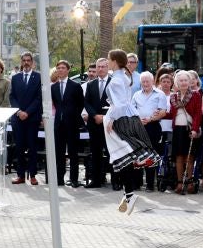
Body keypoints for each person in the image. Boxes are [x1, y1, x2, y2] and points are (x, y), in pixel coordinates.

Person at [103, 50, 160, 215]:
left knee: (122, 157)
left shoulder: (116, 80)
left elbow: (119, 104)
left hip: (119, 120)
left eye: (108, 59)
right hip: (128, 117)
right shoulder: (124, 77)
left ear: (114, 61)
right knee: (125, 158)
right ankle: (128, 194)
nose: (107, 62)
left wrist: (112, 119)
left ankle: (129, 195)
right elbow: (122, 102)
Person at [166, 70, 203, 194]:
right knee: (178, 157)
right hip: (177, 129)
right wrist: (158, 115)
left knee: (190, 157)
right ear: (177, 82)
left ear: (189, 82)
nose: (183, 83)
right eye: (181, 80)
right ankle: (180, 183)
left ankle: (190, 182)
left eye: (185, 80)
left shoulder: (196, 95)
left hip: (189, 129)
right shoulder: (173, 96)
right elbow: (172, 113)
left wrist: (195, 129)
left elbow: (198, 113)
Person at [131, 71, 168, 193]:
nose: (145, 83)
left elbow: (163, 112)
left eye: (147, 81)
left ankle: (150, 184)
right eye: (143, 81)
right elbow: (131, 110)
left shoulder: (160, 94)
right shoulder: (136, 94)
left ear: (152, 82)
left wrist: (151, 119)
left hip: (153, 127)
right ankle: (136, 183)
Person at [9, 51, 42, 185]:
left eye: (29, 60)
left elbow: (39, 98)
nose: (26, 63)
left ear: (32, 62)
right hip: (18, 118)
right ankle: (20, 175)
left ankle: (33, 175)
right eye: (24, 60)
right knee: (19, 147)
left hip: (32, 118)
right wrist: (19, 112)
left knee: (33, 147)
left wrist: (27, 112)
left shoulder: (38, 77)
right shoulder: (15, 78)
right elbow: (12, 96)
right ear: (21, 62)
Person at [51, 60, 85, 188]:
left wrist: (74, 116)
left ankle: (74, 179)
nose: (60, 70)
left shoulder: (75, 86)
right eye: (58, 68)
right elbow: (55, 104)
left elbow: (81, 103)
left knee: (73, 153)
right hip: (58, 124)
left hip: (72, 124)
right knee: (59, 152)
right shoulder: (53, 87)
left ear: (68, 70)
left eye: (63, 68)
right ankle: (59, 178)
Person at [83, 58, 111, 188]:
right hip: (94, 124)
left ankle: (115, 181)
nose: (100, 69)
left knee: (111, 152)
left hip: (110, 124)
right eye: (98, 66)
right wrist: (94, 115)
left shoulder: (113, 83)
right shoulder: (90, 84)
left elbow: (117, 103)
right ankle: (96, 180)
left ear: (107, 67)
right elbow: (87, 102)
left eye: (103, 66)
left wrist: (104, 117)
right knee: (96, 153)